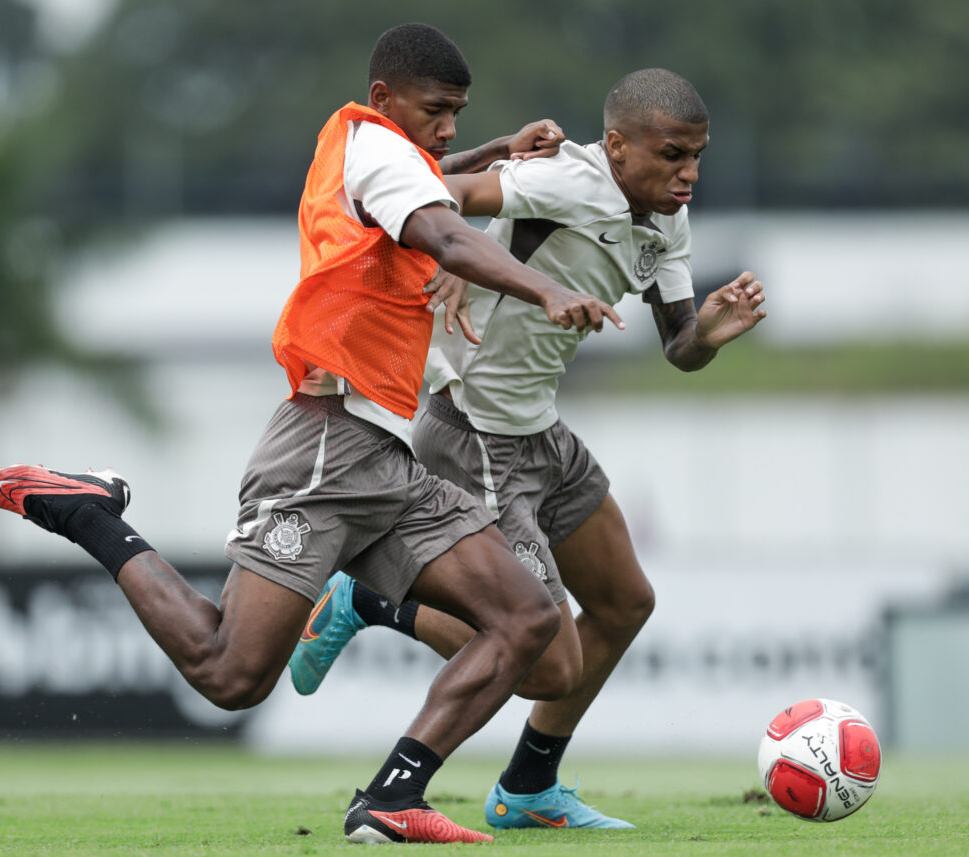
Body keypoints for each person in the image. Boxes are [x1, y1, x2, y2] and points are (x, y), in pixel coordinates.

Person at [0, 23, 626, 845]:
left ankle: (390, 796)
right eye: (437, 110)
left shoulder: (382, 153)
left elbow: (431, 190)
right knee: (230, 674)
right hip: (324, 446)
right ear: (385, 98)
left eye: (458, 113)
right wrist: (544, 288)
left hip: (384, 457)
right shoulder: (375, 146)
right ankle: (88, 513)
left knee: (528, 619)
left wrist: (496, 149)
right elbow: (444, 232)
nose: (448, 127)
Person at [287, 67, 767, 830]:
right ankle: (372, 599)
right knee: (546, 660)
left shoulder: (665, 218)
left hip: (539, 428)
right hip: (474, 432)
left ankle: (529, 789)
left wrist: (706, 333)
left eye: (697, 157)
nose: (690, 174)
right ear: (617, 145)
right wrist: (451, 254)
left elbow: (679, 345)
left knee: (625, 602)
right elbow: (431, 193)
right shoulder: (566, 179)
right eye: (673, 155)